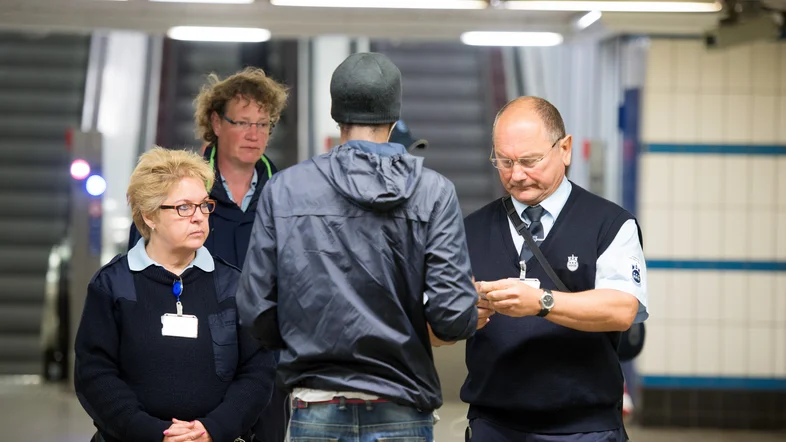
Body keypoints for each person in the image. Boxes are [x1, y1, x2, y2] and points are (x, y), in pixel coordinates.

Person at [235, 52, 480, 442]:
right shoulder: (434, 193)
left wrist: (306, 335)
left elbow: (254, 309)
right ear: (395, 117)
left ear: (336, 114)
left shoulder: (285, 190)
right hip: (402, 407)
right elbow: (452, 318)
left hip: (315, 406)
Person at [463, 96, 649, 442]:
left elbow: (624, 308)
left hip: (586, 429)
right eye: (504, 162)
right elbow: (433, 326)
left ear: (565, 149)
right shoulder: (471, 229)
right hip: (494, 425)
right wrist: (459, 312)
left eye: (530, 161)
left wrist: (542, 303)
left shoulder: (609, 224)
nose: (517, 174)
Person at [127, 68, 291, 442]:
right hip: (190, 365)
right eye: (243, 122)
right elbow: (139, 274)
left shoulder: (286, 195)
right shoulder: (177, 194)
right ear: (216, 122)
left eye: (264, 124)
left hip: (264, 369)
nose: (254, 134)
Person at [75, 147, 276, 442]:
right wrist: (154, 433)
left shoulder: (232, 284)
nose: (198, 218)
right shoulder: (113, 284)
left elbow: (257, 371)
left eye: (204, 205)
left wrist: (214, 428)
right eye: (184, 207)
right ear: (150, 215)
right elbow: (95, 375)